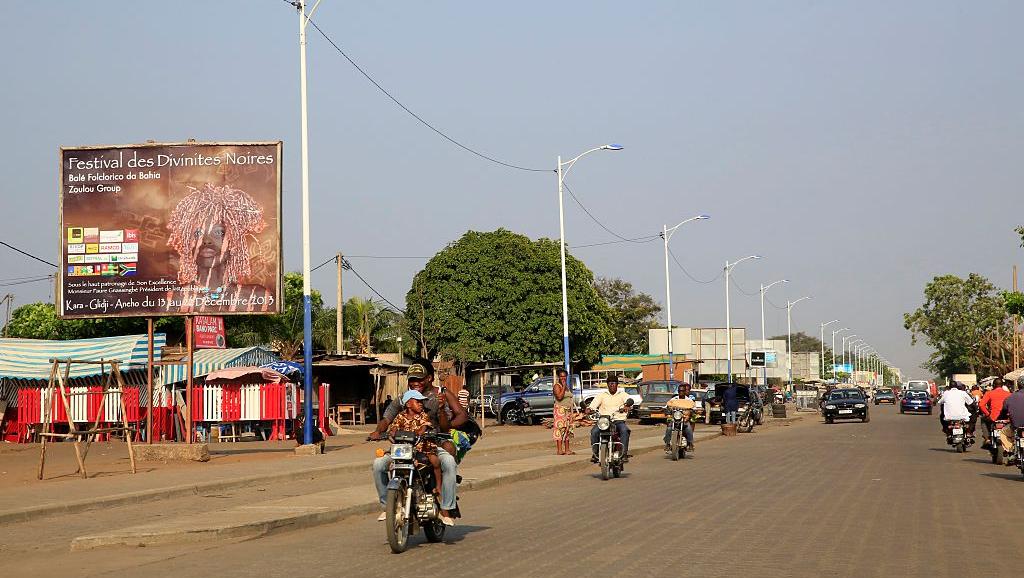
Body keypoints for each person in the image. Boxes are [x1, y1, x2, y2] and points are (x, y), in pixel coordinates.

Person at [368, 362, 467, 526]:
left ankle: (446, 508)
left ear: (428, 379)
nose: (416, 383)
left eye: (420, 379)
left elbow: (449, 423)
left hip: (430, 445)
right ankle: (387, 506)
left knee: (449, 462)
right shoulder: (403, 399)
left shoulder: (437, 398)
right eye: (412, 380)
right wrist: (378, 431)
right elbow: (387, 419)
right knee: (378, 464)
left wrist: (442, 413)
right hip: (404, 447)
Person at [164, 183, 272, 313]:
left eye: (218, 232)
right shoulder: (172, 300)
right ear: (188, 243)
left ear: (234, 241)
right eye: (198, 233)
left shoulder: (257, 298)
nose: (206, 241)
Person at [386, 389, 445, 501]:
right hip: (405, 449)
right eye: (418, 402)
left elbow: (424, 427)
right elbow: (394, 428)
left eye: (421, 402)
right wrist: (391, 433)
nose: (421, 404)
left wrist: (420, 433)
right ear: (408, 404)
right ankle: (395, 492)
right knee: (391, 465)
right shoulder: (400, 416)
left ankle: (438, 486)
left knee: (435, 461)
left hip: (423, 447)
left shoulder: (423, 415)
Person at [588, 374, 632, 463]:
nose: (612, 385)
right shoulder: (602, 395)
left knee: (624, 430)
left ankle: (623, 454)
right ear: (607, 385)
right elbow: (593, 405)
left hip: (618, 420)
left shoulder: (623, 394)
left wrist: (626, 406)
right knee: (594, 431)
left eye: (614, 383)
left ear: (617, 384)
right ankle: (595, 454)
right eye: (610, 383)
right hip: (604, 421)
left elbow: (629, 401)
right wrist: (589, 409)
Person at [979, 378, 1012, 450]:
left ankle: (987, 438)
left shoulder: (989, 393)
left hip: (993, 417)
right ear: (1002, 385)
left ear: (993, 385)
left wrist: (987, 414)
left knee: (983, 420)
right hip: (1006, 418)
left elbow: (981, 405)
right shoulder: (1009, 394)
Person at [663, 383, 696, 453]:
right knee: (669, 428)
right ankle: (667, 444)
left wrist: (691, 412)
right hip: (674, 418)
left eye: (682, 391)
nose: (681, 392)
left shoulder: (689, 400)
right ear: (678, 391)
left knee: (688, 428)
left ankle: (690, 443)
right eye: (679, 391)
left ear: (685, 391)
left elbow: (693, 408)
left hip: (684, 419)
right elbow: (667, 406)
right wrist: (666, 410)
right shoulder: (674, 399)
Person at [553, 369, 575, 455]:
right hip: (560, 410)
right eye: (561, 376)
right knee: (560, 429)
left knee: (567, 429)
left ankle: (567, 449)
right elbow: (559, 397)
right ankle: (559, 450)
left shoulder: (566, 386)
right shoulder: (557, 386)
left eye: (564, 376)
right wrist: (564, 386)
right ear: (558, 377)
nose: (563, 378)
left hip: (568, 411)